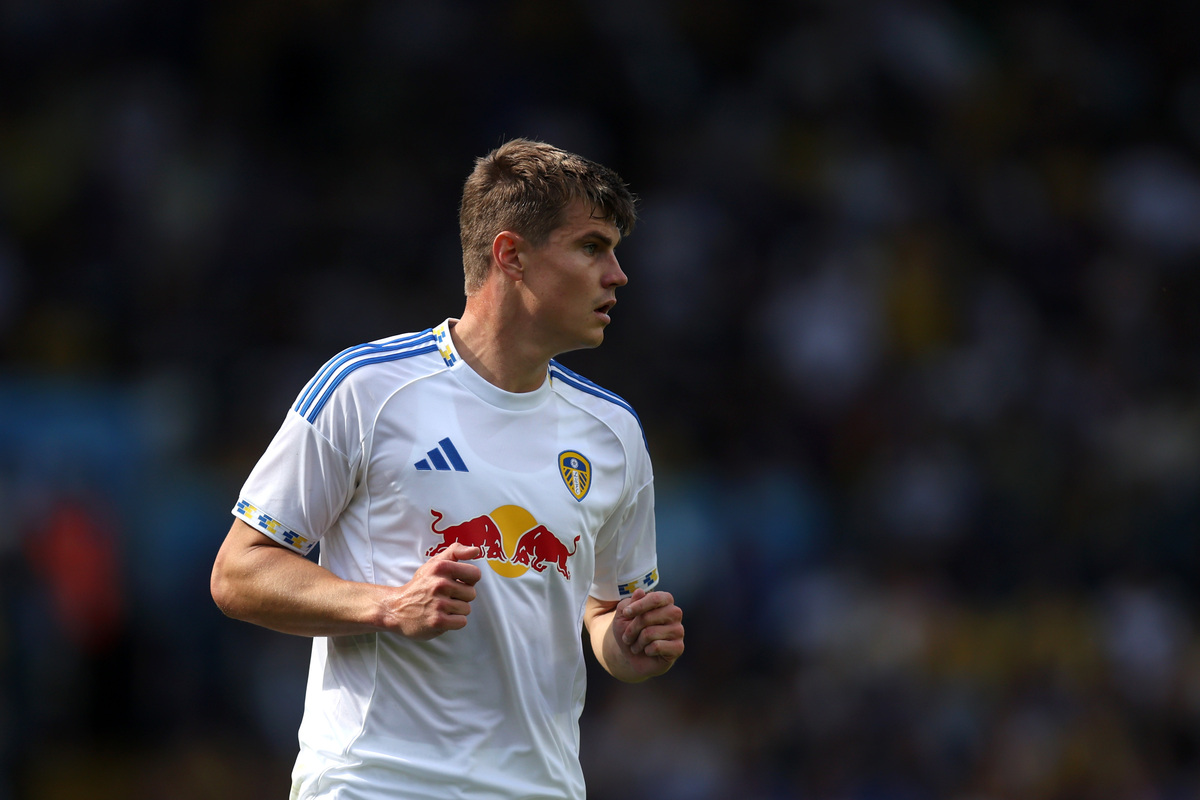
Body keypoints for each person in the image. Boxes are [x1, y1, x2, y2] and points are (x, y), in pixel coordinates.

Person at [210, 138, 685, 800]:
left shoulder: (613, 432)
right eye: (591, 247)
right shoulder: (366, 388)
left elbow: (604, 610)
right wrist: (387, 605)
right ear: (511, 255)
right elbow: (239, 571)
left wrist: (627, 647)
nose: (617, 274)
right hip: (376, 783)